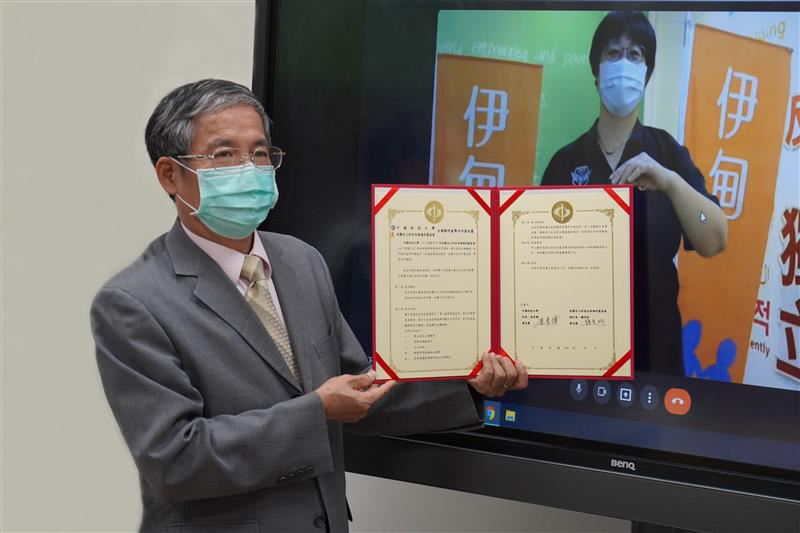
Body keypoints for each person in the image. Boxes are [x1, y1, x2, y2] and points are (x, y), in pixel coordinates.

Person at [90, 79, 528, 533]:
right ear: (170, 174)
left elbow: (359, 389)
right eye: (224, 155)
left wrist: (468, 385)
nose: (249, 168)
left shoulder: (301, 261)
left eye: (260, 153)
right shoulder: (133, 303)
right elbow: (176, 459)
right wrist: (316, 412)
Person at [541, 11, 727, 376]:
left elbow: (714, 235)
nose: (623, 63)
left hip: (654, 355)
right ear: (596, 71)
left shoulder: (668, 153)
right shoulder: (564, 162)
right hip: (578, 351)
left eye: (635, 54)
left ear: (646, 73)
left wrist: (671, 183)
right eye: (612, 53)